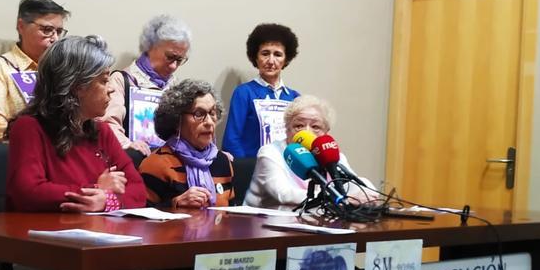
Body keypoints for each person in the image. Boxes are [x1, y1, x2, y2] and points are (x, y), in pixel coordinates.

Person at [6, 35, 145, 212]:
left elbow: (138, 190)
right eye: (103, 80)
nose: (111, 89)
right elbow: (28, 192)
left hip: (97, 233)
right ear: (76, 86)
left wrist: (106, 201)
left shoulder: (102, 131)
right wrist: (95, 189)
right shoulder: (28, 127)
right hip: (45, 235)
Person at [245, 94, 376, 209]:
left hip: (313, 220)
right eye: (299, 126)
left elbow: (351, 184)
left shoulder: (332, 154)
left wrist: (366, 195)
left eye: (315, 127)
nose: (306, 132)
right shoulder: (270, 153)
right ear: (287, 129)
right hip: (264, 226)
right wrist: (340, 199)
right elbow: (284, 194)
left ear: (326, 132)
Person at [102, 14, 192, 157]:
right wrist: (127, 144)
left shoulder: (177, 88)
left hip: (167, 166)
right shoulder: (121, 80)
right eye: (170, 57)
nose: (174, 66)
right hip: (132, 162)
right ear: (150, 47)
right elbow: (107, 124)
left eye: (179, 60)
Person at [0, 0, 69, 142]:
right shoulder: (0, 67)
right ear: (21, 26)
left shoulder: (63, 69)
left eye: (59, 32)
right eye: (47, 30)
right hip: (18, 151)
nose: (55, 39)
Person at [139, 79, 234, 209]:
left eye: (212, 113)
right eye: (199, 114)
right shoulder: (156, 165)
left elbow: (232, 213)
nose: (209, 122)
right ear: (176, 120)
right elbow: (140, 218)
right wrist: (175, 203)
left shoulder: (222, 161)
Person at [222, 23, 301, 158]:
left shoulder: (295, 98)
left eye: (277, 54)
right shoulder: (244, 93)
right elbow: (231, 140)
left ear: (286, 59)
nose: (271, 61)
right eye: (265, 53)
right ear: (255, 57)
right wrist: (249, 169)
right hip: (253, 172)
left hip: (287, 172)